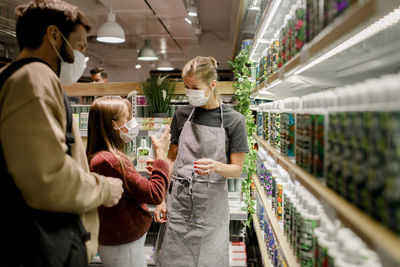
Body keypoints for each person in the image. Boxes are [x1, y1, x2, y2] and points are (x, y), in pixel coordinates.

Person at [0, 0, 124, 265]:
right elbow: (47, 179)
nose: (81, 57)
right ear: (54, 36)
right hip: (40, 249)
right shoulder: (34, 79)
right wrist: (105, 188)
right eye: (79, 46)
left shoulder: (16, 77)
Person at [153, 56, 249, 266]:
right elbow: (170, 160)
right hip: (179, 205)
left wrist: (216, 166)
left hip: (211, 213)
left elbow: (236, 169)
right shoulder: (181, 115)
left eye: (194, 87)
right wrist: (161, 199)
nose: (189, 92)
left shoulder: (234, 121)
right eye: (186, 87)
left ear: (212, 84)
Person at [86, 96, 172, 267]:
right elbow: (154, 194)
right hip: (122, 243)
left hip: (120, 241)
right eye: (128, 118)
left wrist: (154, 172)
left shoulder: (103, 156)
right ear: (113, 124)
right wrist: (161, 156)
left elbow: (133, 190)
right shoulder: (110, 161)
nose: (133, 123)